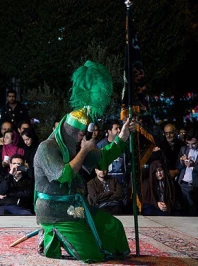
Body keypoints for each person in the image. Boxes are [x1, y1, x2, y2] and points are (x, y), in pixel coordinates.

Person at [33, 61, 131, 262]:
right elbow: (64, 175)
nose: (82, 137)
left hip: (77, 206)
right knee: (92, 255)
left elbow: (102, 160)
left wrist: (121, 138)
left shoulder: (79, 146)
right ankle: (50, 235)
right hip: (53, 210)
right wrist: (84, 150)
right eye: (79, 134)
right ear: (68, 132)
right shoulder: (47, 148)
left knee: (113, 226)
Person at [177, 132, 198, 216]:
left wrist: (194, 166)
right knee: (183, 213)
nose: (190, 147)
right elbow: (178, 167)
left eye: (193, 144)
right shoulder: (184, 149)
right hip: (183, 185)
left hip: (197, 187)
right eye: (188, 144)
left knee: (195, 215)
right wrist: (181, 162)